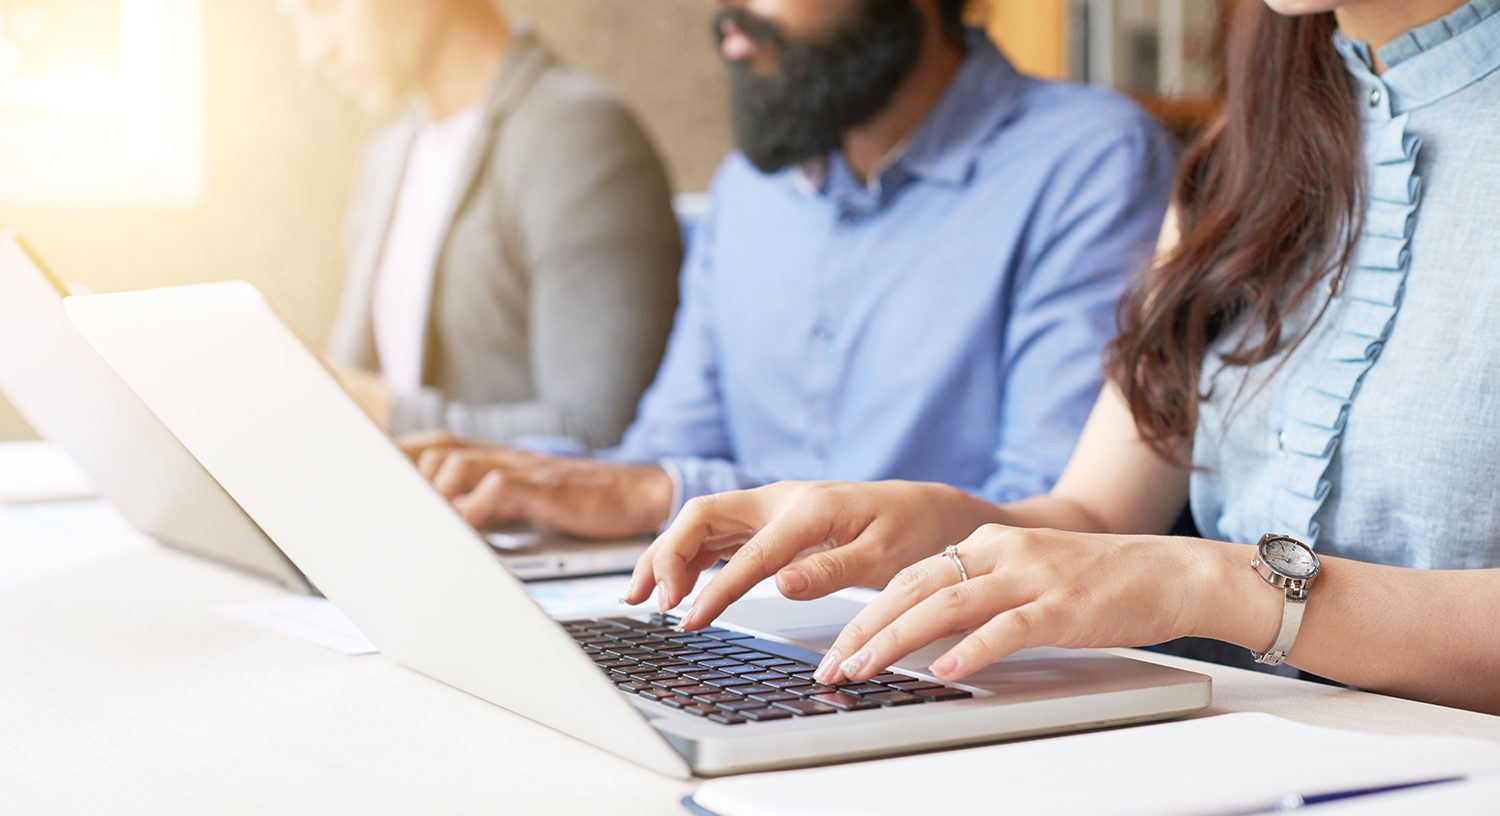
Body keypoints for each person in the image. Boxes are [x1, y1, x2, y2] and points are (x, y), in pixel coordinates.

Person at [627, 0, 1500, 716]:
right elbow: (1091, 510)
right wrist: (914, 520)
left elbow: (1175, 569)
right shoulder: (1247, 150)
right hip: (1242, 760)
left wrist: (1214, 582)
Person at [401, 0, 1176, 539]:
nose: (727, 12)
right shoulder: (750, 191)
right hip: (746, 626)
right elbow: (664, 451)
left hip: (961, 664)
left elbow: (1051, 523)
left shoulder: (1088, 162)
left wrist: (666, 493)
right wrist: (509, 476)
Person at [277, 0, 682, 447]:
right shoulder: (385, 158)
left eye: (324, 7)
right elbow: (353, 380)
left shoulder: (575, 135)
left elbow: (595, 430)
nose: (312, 51)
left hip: (501, 517)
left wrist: (389, 412)